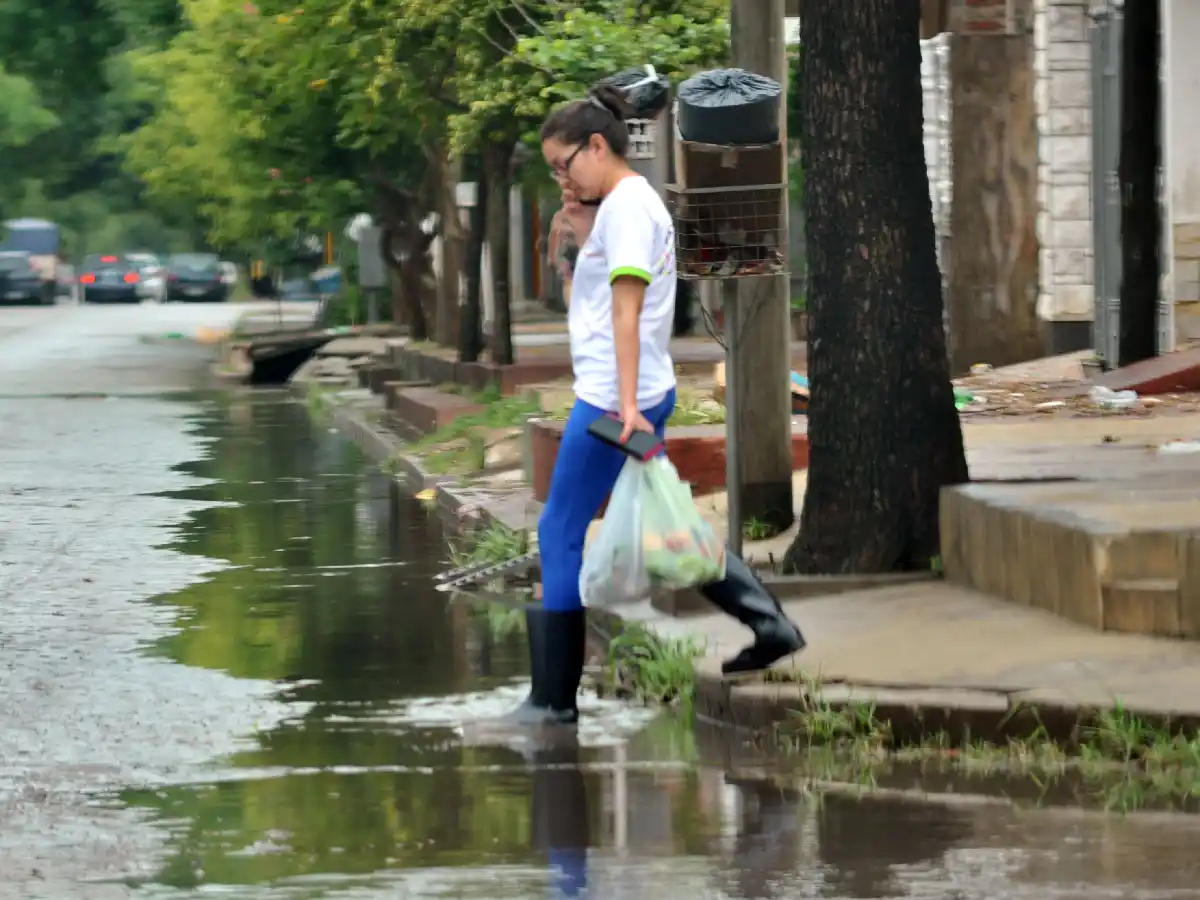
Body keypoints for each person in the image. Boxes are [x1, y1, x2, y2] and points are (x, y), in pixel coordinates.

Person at [510, 86, 806, 727]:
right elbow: (591, 303)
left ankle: (552, 701)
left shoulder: (631, 211)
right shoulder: (618, 207)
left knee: (558, 530)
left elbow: (627, 310)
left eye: (565, 164)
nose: (561, 178)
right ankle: (769, 624)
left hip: (620, 401)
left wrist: (622, 407)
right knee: (668, 527)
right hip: (631, 393)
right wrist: (579, 231)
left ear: (597, 146)